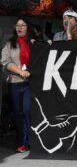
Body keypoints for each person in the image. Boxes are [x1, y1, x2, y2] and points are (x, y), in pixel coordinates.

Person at [1, 18, 32, 152]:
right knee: (18, 113)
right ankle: (22, 142)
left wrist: (47, 43)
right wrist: (20, 71)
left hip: (30, 84)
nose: (19, 27)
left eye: (23, 25)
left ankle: (30, 141)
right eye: (17, 25)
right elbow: (5, 62)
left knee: (27, 111)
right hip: (15, 83)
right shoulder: (10, 44)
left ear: (27, 28)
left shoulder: (33, 42)